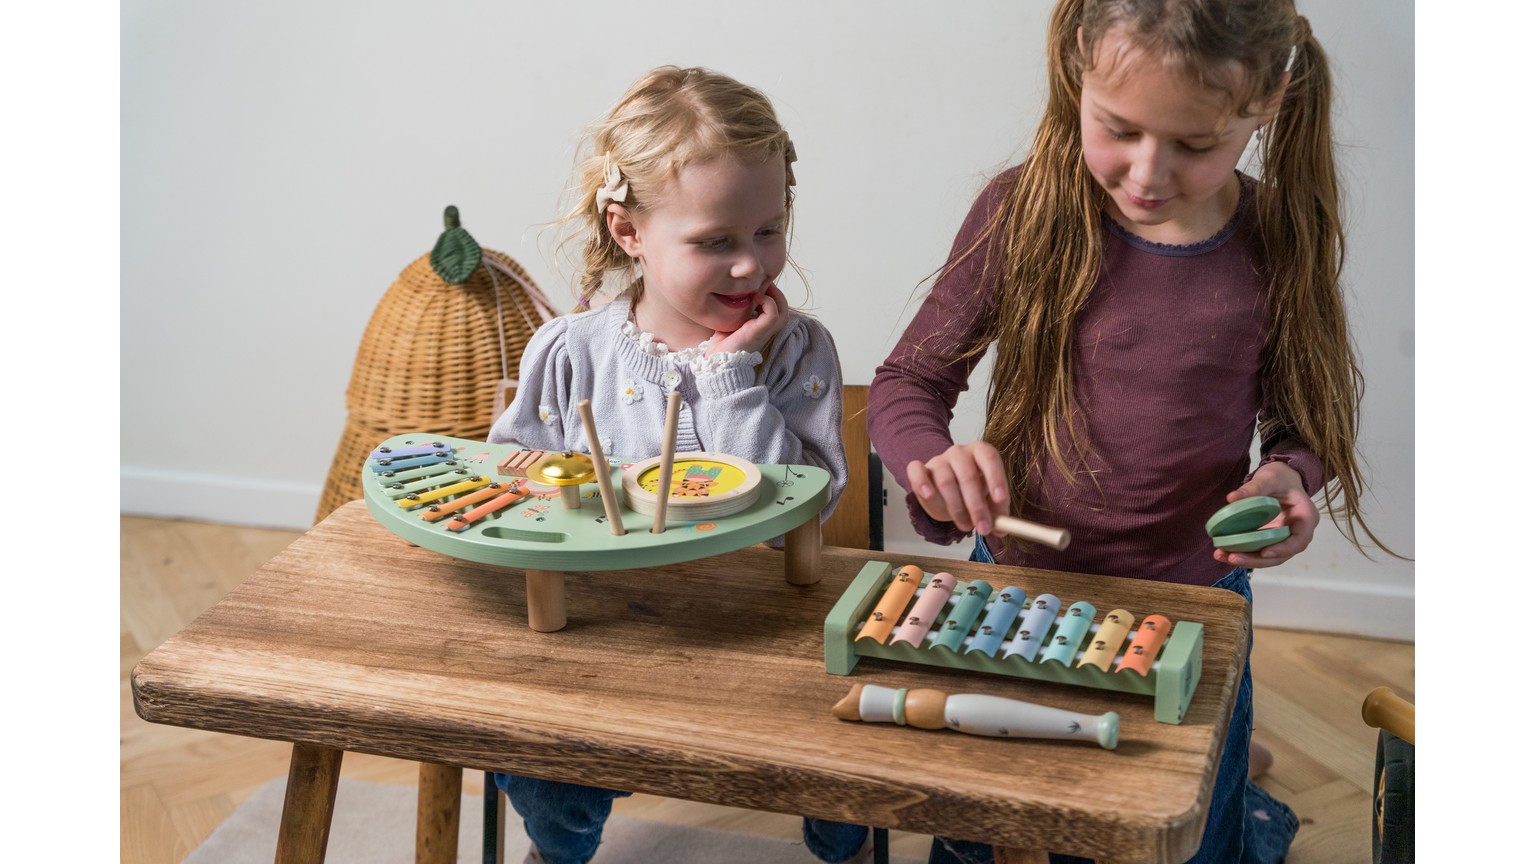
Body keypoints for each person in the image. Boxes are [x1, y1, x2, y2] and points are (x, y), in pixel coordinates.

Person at [861, 2, 1398, 863]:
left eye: (1194, 145)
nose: (1147, 173)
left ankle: (1241, 782)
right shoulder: (1021, 208)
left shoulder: (1280, 238)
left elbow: (1306, 425)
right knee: (982, 828)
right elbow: (908, 383)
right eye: (1119, 129)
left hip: (1192, 607)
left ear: (1269, 101)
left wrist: (1290, 479)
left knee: (1176, 836)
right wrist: (933, 462)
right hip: (1017, 587)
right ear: (1079, 63)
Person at [487, 65, 848, 864]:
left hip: (764, 628)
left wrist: (728, 378)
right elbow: (512, 484)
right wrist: (533, 481)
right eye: (715, 242)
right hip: (608, 634)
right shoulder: (568, 353)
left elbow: (802, 510)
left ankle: (843, 840)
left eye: (767, 231)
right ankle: (560, 847)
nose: (751, 266)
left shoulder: (795, 352)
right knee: (529, 746)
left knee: (858, 743)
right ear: (628, 232)